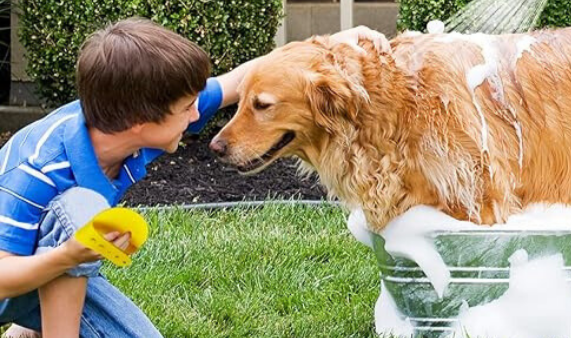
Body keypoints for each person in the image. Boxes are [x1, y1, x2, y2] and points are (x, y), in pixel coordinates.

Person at [0, 18, 388, 338]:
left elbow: (239, 81)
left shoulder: (129, 126)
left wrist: (330, 45)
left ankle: (30, 327)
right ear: (140, 122)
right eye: (187, 108)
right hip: (11, 281)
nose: (197, 116)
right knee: (79, 208)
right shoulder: (37, 168)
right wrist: (67, 256)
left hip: (48, 268)